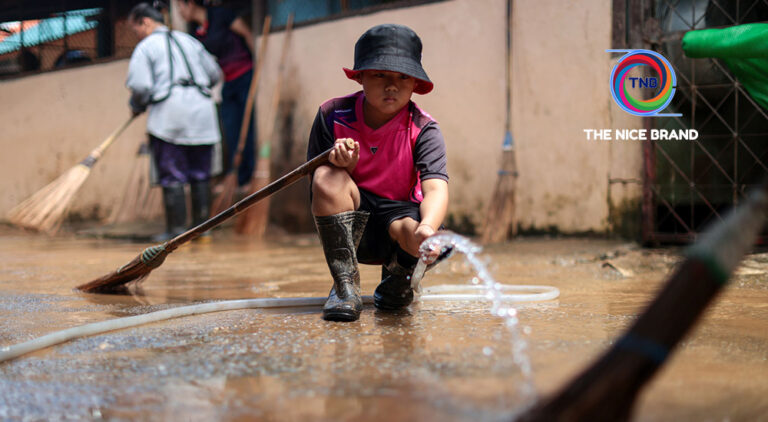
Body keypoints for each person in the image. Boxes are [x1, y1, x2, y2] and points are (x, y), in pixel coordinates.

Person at [307, 24, 449, 322]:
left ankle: (398, 282)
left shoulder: (424, 128)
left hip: (400, 224)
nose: (392, 85)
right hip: (352, 222)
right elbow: (316, 185)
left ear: (415, 84)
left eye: (402, 77)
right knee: (326, 177)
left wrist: (428, 229)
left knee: (422, 235)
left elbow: (435, 188)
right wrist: (339, 165)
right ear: (360, 77)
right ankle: (345, 287)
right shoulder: (332, 115)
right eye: (380, 74)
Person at [125, 2, 222, 241]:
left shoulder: (146, 47)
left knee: (172, 175)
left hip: (169, 118)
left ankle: (178, 234)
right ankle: (203, 232)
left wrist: (137, 105)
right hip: (203, 116)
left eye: (135, 30)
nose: (137, 36)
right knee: (201, 174)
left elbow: (140, 86)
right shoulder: (191, 41)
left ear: (145, 22)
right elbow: (214, 74)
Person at [176, 0, 256, 191]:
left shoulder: (221, 15)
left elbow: (247, 33)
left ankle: (249, 177)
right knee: (231, 130)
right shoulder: (196, 33)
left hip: (246, 75)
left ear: (190, 4)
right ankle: (237, 176)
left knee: (248, 127)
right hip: (227, 82)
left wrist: (258, 65)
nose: (179, 11)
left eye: (180, 6)